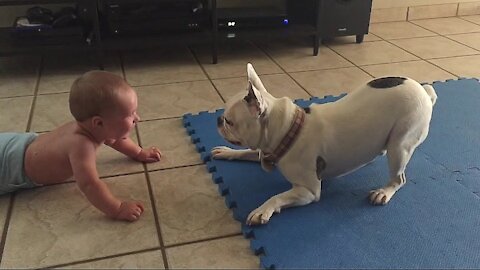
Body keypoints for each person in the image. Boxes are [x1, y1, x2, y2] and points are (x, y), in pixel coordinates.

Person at [0, 70, 162, 222]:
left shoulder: (92, 127)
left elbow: (116, 139)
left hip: (18, 144)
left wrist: (139, 153)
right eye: (130, 114)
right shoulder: (81, 145)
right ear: (98, 123)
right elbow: (89, 184)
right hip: (10, 168)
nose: (137, 118)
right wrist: (117, 209)